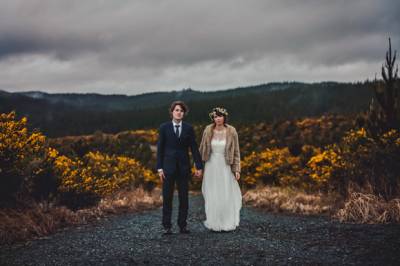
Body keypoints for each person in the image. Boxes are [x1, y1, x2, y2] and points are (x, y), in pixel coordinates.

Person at [156, 101, 203, 235]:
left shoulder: (188, 128)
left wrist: (198, 166)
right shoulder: (164, 127)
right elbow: (160, 149)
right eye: (176, 110)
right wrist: (159, 168)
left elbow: (194, 148)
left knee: (184, 198)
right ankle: (167, 226)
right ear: (172, 112)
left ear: (184, 113)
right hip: (167, 168)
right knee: (167, 198)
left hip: (183, 168)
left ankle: (182, 225)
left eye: (181, 111)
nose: (179, 112)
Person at [199, 107, 242, 232]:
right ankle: (214, 222)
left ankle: (227, 222)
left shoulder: (231, 131)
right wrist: (198, 166)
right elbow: (202, 149)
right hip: (211, 165)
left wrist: (237, 169)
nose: (218, 119)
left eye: (220, 116)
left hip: (225, 165)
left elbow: (237, 152)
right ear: (213, 118)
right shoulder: (208, 130)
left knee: (226, 193)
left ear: (224, 117)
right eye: (216, 116)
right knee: (212, 193)